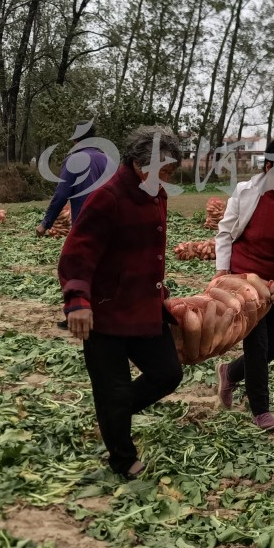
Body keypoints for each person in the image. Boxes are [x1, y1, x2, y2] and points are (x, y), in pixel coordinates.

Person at [58, 126, 184, 478]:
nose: (170, 177)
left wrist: (161, 293)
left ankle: (113, 416)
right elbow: (76, 254)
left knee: (167, 373)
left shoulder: (155, 193)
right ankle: (123, 459)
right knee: (111, 385)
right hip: (104, 311)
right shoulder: (109, 196)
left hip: (144, 306)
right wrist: (77, 301)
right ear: (143, 163)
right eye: (167, 169)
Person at [214, 139, 274, 431]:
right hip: (245, 280)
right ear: (270, 167)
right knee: (257, 344)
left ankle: (229, 373)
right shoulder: (245, 192)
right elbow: (225, 233)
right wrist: (221, 273)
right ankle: (260, 410)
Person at [37, 120, 109, 236]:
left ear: (75, 139)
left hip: (85, 224)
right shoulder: (107, 160)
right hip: (108, 224)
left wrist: (45, 223)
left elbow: (61, 194)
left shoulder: (74, 160)